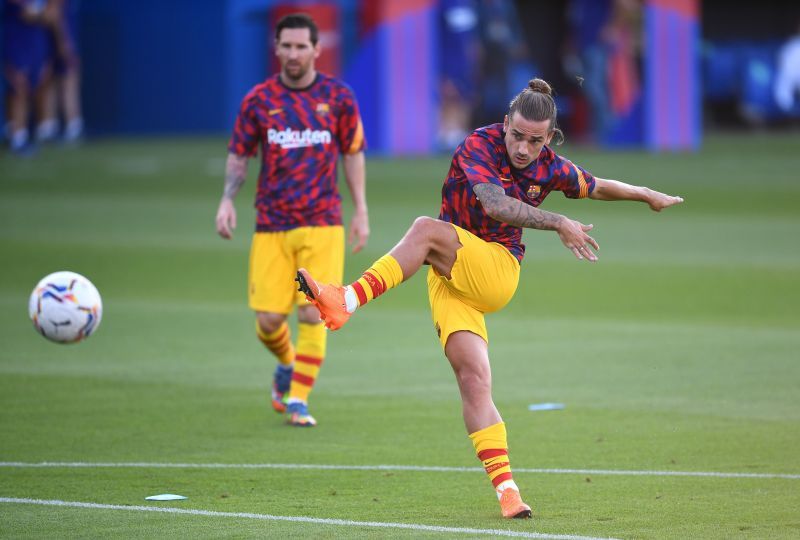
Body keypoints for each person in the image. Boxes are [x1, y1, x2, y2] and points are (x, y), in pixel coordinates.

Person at [296, 78, 682, 518]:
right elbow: (495, 204)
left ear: (549, 138)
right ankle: (508, 493)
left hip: (496, 269)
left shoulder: (550, 166)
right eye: (517, 135)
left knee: (425, 229)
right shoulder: (478, 147)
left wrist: (645, 194)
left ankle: (345, 301)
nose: (523, 147)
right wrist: (558, 221)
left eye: (535, 140)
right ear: (504, 124)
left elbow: (596, 185)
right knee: (473, 380)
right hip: (450, 274)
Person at [215, 13, 368, 427]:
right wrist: (227, 200)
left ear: (318, 50)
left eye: (303, 46)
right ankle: (287, 363)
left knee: (313, 312)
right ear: (277, 48)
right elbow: (239, 154)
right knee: (267, 322)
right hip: (271, 223)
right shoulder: (259, 100)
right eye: (288, 46)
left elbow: (353, 153)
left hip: (323, 221)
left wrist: (362, 211)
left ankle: (298, 399)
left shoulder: (338, 98)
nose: (295, 53)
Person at [2, 0, 52, 154]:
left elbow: (51, 16)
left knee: (32, 88)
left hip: (34, 44)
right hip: (15, 44)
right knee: (18, 87)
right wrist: (41, 14)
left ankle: (22, 133)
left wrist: (41, 14)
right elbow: (27, 14)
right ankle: (17, 137)